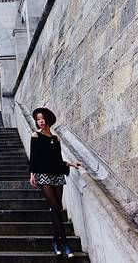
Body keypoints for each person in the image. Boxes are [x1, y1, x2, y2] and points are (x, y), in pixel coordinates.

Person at [29, 107, 82, 258]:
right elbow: (34, 157)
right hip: (43, 175)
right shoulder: (36, 136)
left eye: (42, 118)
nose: (40, 121)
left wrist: (71, 164)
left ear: (48, 119)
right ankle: (65, 244)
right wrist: (32, 174)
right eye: (38, 119)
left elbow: (58, 160)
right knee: (55, 207)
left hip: (57, 175)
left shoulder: (56, 138)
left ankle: (55, 242)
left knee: (56, 209)